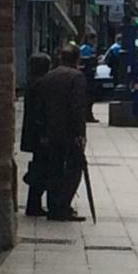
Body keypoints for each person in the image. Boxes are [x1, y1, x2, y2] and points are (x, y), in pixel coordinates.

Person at [38, 45, 88, 222]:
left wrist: (43, 131)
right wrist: (80, 133)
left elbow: (41, 107)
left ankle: (53, 205)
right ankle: (63, 205)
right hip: (69, 133)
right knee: (74, 169)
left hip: (51, 132)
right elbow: (77, 108)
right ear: (76, 59)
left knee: (55, 169)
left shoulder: (48, 77)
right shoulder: (77, 77)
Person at [20, 53, 52, 217]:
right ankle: (34, 204)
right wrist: (45, 133)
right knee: (41, 169)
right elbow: (41, 111)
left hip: (34, 134)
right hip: (40, 135)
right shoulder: (41, 85)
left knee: (39, 167)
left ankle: (34, 203)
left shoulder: (32, 83)